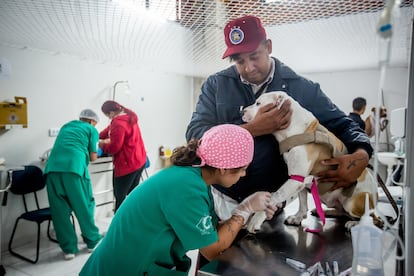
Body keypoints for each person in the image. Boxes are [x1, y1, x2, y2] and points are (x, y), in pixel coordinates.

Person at [186, 15, 373, 206]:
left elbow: (344, 125)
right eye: (239, 61)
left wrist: (361, 155)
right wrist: (252, 128)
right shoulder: (216, 85)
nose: (249, 67)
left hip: (271, 203)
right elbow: (194, 135)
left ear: (268, 46)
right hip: (222, 200)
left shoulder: (302, 89)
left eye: (254, 56)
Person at [80, 124, 276, 275]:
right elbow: (212, 249)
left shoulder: (193, 179)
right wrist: (245, 208)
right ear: (224, 168)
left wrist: (250, 212)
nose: (243, 174)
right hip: (123, 268)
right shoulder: (186, 188)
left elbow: (211, 231)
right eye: (242, 168)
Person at [44, 109, 102, 260]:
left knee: (60, 212)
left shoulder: (67, 126)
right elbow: (93, 157)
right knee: (84, 206)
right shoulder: (91, 130)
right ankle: (92, 241)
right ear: (91, 121)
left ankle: (69, 249)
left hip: (52, 170)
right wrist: (97, 149)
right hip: (74, 169)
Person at [99, 100, 147, 212]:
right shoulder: (128, 117)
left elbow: (114, 148)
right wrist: (95, 135)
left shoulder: (118, 123)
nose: (108, 118)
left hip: (127, 164)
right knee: (132, 196)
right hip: (138, 161)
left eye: (107, 115)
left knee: (119, 197)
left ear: (111, 113)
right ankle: (133, 222)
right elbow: (108, 131)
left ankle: (119, 225)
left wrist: (102, 144)